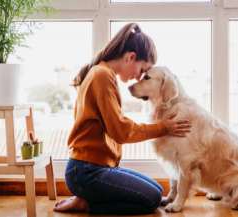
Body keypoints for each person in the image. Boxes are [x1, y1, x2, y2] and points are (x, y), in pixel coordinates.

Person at [53, 23, 191, 215]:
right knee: (151, 199)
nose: (138, 78)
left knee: (158, 191)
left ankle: (86, 196)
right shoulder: (102, 76)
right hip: (86, 171)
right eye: (142, 70)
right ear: (131, 57)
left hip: (95, 168)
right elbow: (120, 131)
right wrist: (162, 128)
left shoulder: (102, 73)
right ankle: (87, 204)